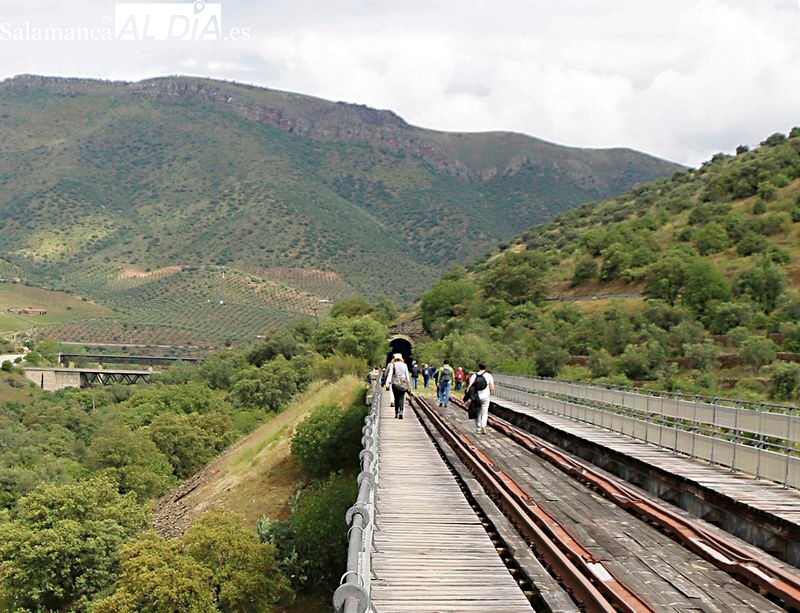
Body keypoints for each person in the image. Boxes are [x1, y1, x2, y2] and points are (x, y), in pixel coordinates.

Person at [466, 361, 495, 434]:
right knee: (484, 412)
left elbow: (469, 387)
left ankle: (478, 428)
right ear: (485, 368)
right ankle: (483, 426)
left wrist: (469, 396)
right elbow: (492, 388)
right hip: (485, 397)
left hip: (476, 397)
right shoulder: (489, 375)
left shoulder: (474, 375)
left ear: (479, 367)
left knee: (478, 412)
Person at [384, 353, 411, 419]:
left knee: (396, 398)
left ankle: (396, 413)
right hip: (403, 384)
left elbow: (390, 375)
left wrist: (387, 384)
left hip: (395, 384)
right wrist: (408, 384)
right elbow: (407, 375)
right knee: (401, 398)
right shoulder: (404, 365)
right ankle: (401, 411)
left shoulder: (392, 365)